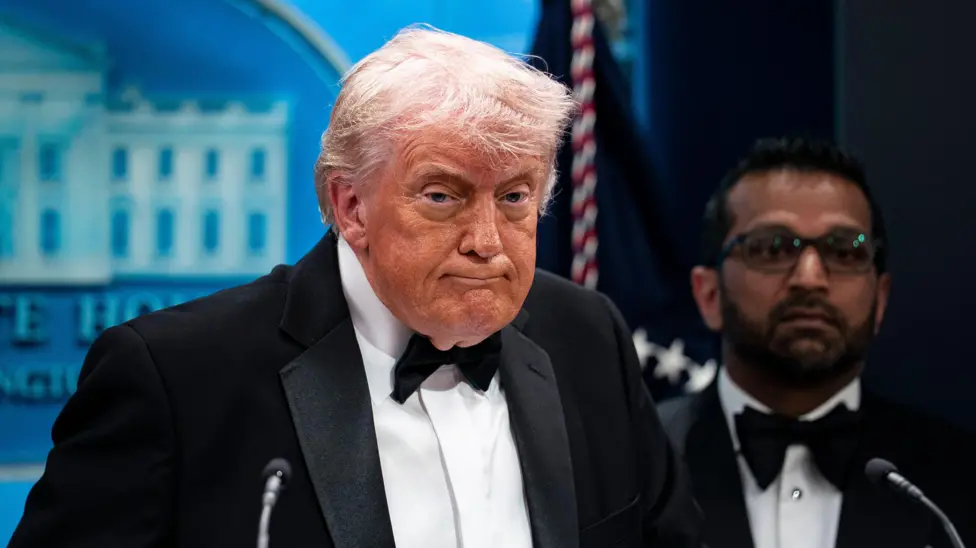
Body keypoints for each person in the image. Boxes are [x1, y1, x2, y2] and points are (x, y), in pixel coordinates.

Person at [10, 26, 702, 548]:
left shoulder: (586, 335)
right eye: (442, 196)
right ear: (350, 206)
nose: (487, 240)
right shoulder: (177, 377)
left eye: (515, 197)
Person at [658, 137, 975, 548]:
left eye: (845, 251)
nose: (809, 279)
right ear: (709, 295)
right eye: (772, 247)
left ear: (880, 299)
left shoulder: (958, 477)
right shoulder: (636, 459)